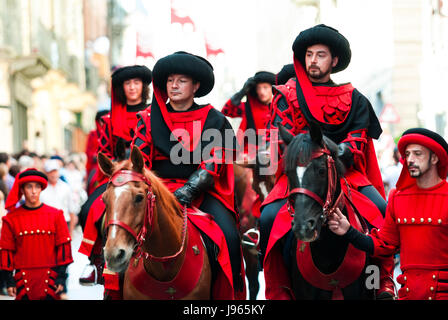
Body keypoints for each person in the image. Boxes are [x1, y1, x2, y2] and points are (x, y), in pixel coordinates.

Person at [259, 24, 393, 298]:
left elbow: (357, 142)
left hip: (346, 174)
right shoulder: (285, 95)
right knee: (268, 217)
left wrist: (333, 153)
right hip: (299, 174)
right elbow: (281, 140)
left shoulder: (355, 98)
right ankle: (279, 288)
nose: (313, 61)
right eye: (309, 54)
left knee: (380, 209)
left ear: (333, 61)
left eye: (320, 55)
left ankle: (383, 281)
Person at [130, 51, 244, 299]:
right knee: (121, 230)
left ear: (196, 86)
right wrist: (155, 191)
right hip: (156, 191)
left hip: (202, 191)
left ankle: (231, 295)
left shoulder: (215, 119)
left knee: (230, 237)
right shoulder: (147, 118)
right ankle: (112, 287)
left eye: (181, 81)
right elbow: (139, 162)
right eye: (170, 80)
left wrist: (190, 190)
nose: (174, 86)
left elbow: (215, 160)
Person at [329, 128, 448, 300]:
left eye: (417, 154)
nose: (410, 160)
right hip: (409, 295)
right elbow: (383, 245)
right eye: (407, 154)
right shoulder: (396, 198)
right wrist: (349, 231)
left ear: (435, 158)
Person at [78, 65, 152, 286]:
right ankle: (95, 262)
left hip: (146, 175)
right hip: (117, 176)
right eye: (127, 84)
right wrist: (118, 165)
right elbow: (104, 152)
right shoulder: (108, 120)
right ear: (121, 88)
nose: (132, 87)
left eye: (136, 83)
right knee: (87, 209)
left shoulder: (153, 114)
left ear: (143, 86)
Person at [0, 168, 73, 300]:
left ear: (41, 189)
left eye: (37, 187)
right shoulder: (11, 219)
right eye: (29, 187)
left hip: (51, 280)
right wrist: (9, 280)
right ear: (22, 190)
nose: (34, 191)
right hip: (23, 281)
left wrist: (61, 277)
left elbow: (63, 249)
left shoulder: (56, 215)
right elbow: (6, 252)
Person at [222, 71, 275, 156]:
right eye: (258, 88)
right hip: (248, 155)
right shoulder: (248, 108)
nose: (261, 92)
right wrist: (242, 92)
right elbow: (226, 111)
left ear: (272, 88)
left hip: (271, 154)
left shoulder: (279, 108)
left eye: (265, 87)